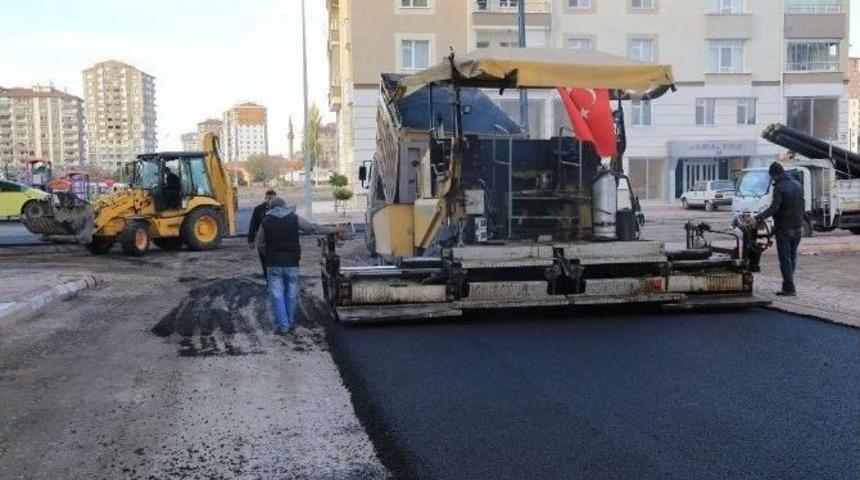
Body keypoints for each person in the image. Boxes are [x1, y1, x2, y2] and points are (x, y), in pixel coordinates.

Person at [256, 197, 335, 335]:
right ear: (285, 206)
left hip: (273, 264)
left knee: (277, 295)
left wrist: (268, 256)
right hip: (292, 263)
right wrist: (332, 230)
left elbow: (260, 244)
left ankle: (283, 326)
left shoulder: (265, 221)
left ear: (271, 208)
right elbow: (311, 228)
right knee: (291, 295)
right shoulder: (294, 218)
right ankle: (290, 322)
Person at [749, 161, 804, 296]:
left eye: (772, 177)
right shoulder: (797, 185)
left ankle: (789, 288)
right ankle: (788, 286)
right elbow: (801, 205)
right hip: (798, 227)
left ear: (774, 175)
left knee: (785, 258)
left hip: (785, 229)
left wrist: (757, 218)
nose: (772, 179)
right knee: (792, 257)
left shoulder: (779, 188)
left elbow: (774, 208)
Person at [248, 190, 277, 277]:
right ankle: (268, 279)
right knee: (265, 262)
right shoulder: (258, 209)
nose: (270, 200)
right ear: (265, 198)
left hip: (275, 241)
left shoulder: (279, 210)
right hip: (262, 241)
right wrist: (251, 240)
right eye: (268, 198)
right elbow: (252, 225)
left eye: (272, 198)